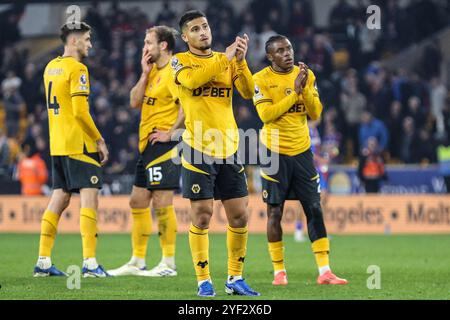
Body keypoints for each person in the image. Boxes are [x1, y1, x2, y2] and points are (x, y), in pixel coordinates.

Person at [171, 10, 259, 297]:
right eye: (195, 29)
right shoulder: (179, 62)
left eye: (205, 26)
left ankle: (235, 278)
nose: (203, 32)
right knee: (203, 216)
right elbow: (194, 82)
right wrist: (226, 57)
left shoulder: (228, 61)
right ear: (185, 37)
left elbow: (247, 92)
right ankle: (203, 280)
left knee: (239, 216)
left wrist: (241, 62)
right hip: (197, 149)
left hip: (230, 147)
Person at [253, 34, 347, 286]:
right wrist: (294, 93)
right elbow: (266, 114)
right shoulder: (261, 79)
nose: (287, 53)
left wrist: (304, 89)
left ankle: (325, 271)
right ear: (270, 56)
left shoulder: (307, 75)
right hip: (274, 152)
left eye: (289, 48)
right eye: (281, 51)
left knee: (314, 208)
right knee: (275, 212)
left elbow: (315, 112)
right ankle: (279, 272)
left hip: (302, 151)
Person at [33, 22, 110, 277]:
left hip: (58, 144)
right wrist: (99, 140)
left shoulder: (50, 67)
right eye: (87, 39)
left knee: (60, 197)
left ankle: (43, 262)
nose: (90, 44)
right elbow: (80, 112)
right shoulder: (78, 69)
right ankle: (89, 263)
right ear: (74, 41)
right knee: (90, 199)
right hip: (79, 144)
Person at [108, 26, 184, 277]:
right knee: (137, 201)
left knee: (162, 201)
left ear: (163, 45)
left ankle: (169, 263)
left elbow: (187, 106)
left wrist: (170, 133)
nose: (144, 47)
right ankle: (138, 260)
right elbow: (133, 101)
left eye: (148, 42)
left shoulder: (175, 69)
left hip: (164, 145)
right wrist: (143, 74)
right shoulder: (152, 71)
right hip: (147, 145)